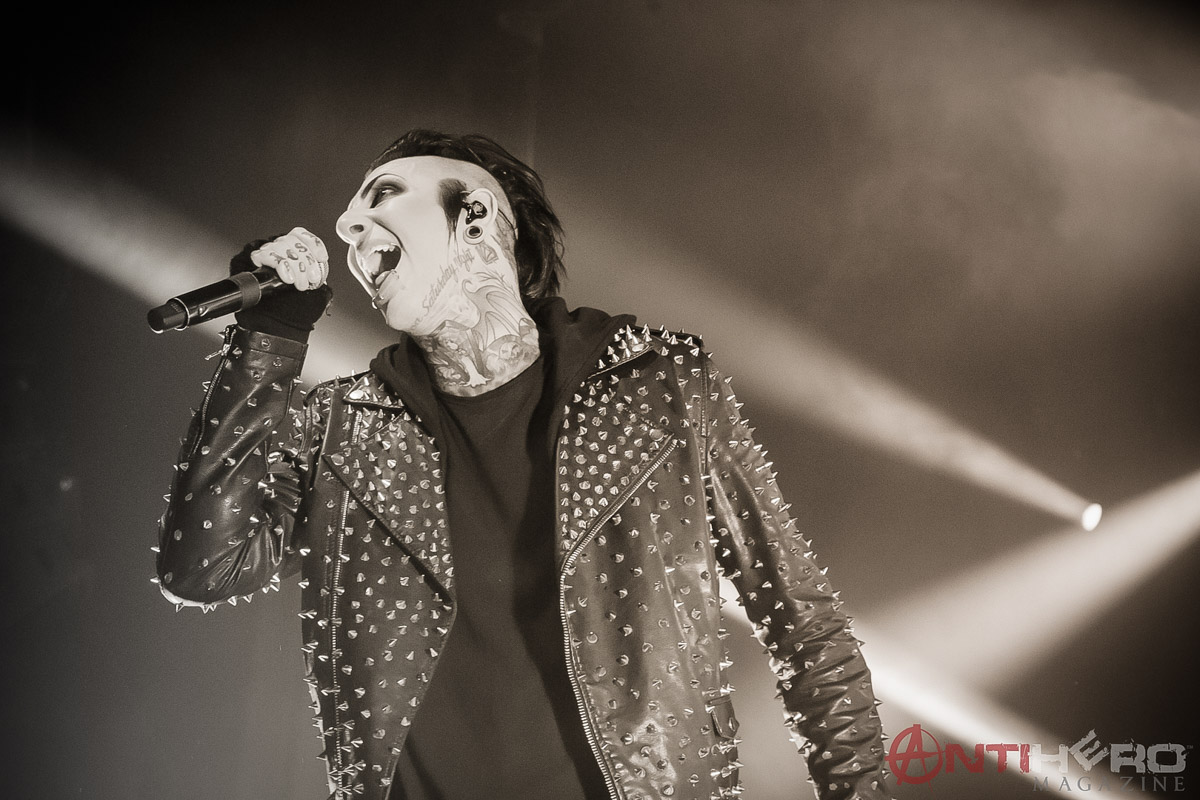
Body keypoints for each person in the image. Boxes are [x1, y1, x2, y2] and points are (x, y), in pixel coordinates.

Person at [155, 130, 891, 800]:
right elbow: (203, 568)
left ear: (475, 216)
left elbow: (806, 626)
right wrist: (269, 335)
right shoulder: (342, 426)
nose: (348, 226)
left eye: (382, 197)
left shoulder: (659, 389)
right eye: (352, 214)